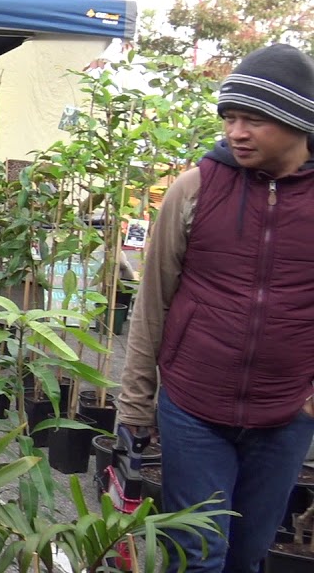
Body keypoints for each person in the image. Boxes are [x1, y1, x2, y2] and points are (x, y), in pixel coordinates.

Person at [118, 43, 314, 573]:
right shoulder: (195, 189)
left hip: (284, 415)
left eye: (254, 119)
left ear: (297, 121)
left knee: (248, 558)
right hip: (193, 410)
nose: (236, 132)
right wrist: (135, 406)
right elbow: (151, 303)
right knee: (199, 556)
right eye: (230, 117)